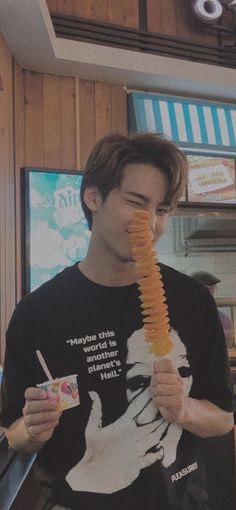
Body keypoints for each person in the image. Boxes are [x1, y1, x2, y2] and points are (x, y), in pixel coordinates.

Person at [0, 133, 234, 510]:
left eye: (161, 210)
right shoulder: (36, 314)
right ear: (93, 197)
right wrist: (30, 429)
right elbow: (12, 433)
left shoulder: (191, 301)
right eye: (136, 202)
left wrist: (185, 409)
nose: (152, 224)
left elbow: (224, 419)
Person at [191, 271, 234, 347]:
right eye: (207, 289)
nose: (211, 293)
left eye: (213, 289)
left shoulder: (223, 319)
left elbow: (228, 344)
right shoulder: (182, 314)